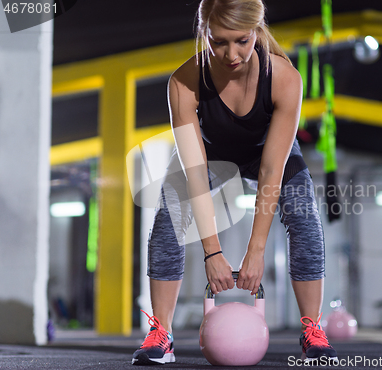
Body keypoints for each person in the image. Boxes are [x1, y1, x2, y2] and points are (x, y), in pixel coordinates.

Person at [132, 0, 338, 365]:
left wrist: (255, 251)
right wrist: (212, 251)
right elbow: (195, 171)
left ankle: (312, 330)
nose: (231, 53)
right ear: (204, 34)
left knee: (305, 217)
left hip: (268, 157)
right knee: (168, 218)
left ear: (256, 32)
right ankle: (160, 333)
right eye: (219, 41)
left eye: (242, 41)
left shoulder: (285, 78)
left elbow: (271, 171)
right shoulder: (184, 82)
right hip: (210, 157)